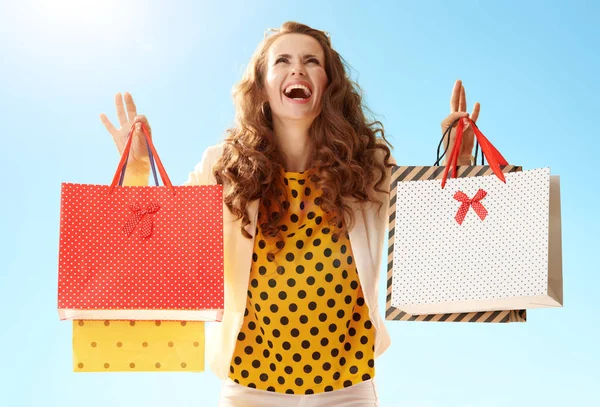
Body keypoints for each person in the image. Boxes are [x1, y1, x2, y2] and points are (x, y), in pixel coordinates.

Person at [100, 21, 478, 407]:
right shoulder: (223, 165)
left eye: (311, 61)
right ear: (263, 85)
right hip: (249, 385)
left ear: (328, 85)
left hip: (347, 386)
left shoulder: (368, 162)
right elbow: (164, 236)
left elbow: (429, 232)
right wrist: (136, 170)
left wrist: (460, 164)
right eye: (283, 60)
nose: (297, 68)